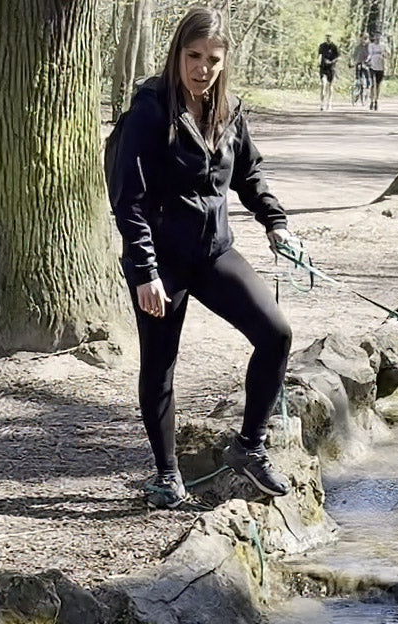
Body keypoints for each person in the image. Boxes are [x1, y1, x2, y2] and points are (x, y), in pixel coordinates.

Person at [109, 7, 294, 510]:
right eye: (193, 56)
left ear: (224, 61)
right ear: (177, 54)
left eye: (212, 59)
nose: (202, 68)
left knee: (276, 334)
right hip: (161, 263)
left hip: (214, 253)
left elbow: (248, 174)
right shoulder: (150, 110)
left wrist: (275, 222)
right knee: (160, 365)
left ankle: (249, 447)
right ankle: (167, 475)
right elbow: (129, 200)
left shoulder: (228, 110)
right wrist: (145, 272)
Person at [317, 34, 340, 111]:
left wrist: (331, 61)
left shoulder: (334, 47)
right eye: (327, 37)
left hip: (331, 68)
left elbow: (338, 57)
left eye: (330, 37)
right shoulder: (322, 46)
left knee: (330, 86)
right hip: (323, 67)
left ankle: (329, 103)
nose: (328, 38)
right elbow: (319, 55)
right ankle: (322, 103)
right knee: (323, 84)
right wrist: (319, 62)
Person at [366, 31, 388, 111]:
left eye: (379, 36)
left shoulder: (383, 46)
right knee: (372, 84)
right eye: (376, 36)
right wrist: (367, 61)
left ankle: (376, 100)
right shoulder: (371, 45)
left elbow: (387, 55)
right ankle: (371, 100)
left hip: (380, 66)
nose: (377, 37)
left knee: (378, 85)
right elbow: (370, 54)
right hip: (372, 66)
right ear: (374, 37)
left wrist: (385, 55)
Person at [351, 33, 371, 106]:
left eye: (366, 38)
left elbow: (370, 55)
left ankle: (366, 95)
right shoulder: (358, 47)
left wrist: (367, 61)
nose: (364, 40)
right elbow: (354, 56)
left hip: (367, 65)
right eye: (363, 38)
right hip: (359, 64)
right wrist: (353, 62)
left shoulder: (369, 47)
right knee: (358, 80)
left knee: (368, 81)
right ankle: (356, 94)